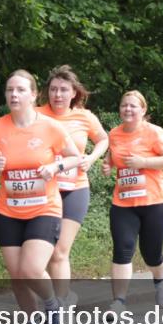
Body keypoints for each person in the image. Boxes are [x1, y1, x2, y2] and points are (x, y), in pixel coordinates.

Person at [0, 70, 82, 324]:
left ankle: (53, 308)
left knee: (31, 268)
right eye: (10, 90)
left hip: (43, 208)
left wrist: (55, 166)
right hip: (8, 210)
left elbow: (76, 157)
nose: (14, 95)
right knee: (17, 276)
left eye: (20, 90)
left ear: (33, 95)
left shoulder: (50, 127)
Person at [101, 90, 163, 313]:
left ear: (143, 110)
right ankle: (119, 301)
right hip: (123, 203)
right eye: (124, 105)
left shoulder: (154, 133)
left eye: (133, 106)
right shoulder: (114, 134)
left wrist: (143, 161)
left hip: (154, 202)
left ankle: (160, 280)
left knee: (151, 253)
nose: (127, 109)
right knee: (122, 249)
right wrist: (107, 165)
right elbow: (113, 156)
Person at [38, 65, 109, 305]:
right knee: (46, 252)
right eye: (54, 89)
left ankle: (60, 306)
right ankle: (63, 297)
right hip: (44, 192)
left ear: (74, 93)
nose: (57, 95)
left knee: (59, 251)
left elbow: (103, 139)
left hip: (75, 188)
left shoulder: (84, 116)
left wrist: (91, 157)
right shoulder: (36, 115)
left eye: (63, 90)